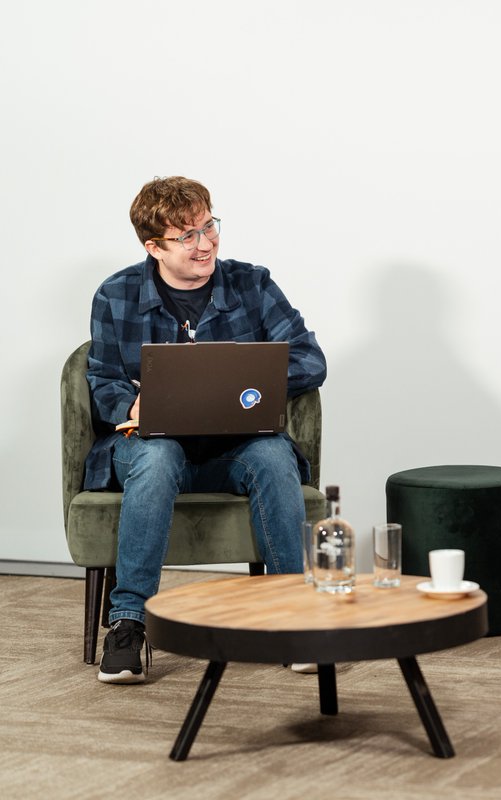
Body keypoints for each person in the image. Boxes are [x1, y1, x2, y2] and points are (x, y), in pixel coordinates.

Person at [86, 176, 327, 684]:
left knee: (272, 453)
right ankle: (128, 624)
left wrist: (249, 384)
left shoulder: (252, 284)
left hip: (233, 449)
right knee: (159, 456)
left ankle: (295, 618)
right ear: (154, 247)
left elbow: (310, 360)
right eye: (188, 236)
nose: (205, 243)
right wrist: (132, 403)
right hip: (149, 448)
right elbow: (102, 378)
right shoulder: (115, 294)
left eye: (209, 226)